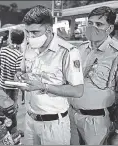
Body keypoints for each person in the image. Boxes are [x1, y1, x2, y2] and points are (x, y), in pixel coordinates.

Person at [16, 5, 84, 145]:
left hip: (54, 125)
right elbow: (22, 71)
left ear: (48, 30)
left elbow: (78, 90)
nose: (30, 37)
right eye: (27, 32)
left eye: (35, 32)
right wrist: (20, 77)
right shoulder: (28, 48)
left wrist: (43, 86)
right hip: (29, 121)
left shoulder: (67, 52)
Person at [69, 6, 118, 145]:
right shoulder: (80, 49)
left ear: (110, 29)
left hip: (97, 123)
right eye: (90, 23)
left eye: (99, 24)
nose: (93, 27)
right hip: (71, 117)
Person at [0, 29, 24, 133]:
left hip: (1, 86)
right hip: (12, 89)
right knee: (12, 112)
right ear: (22, 41)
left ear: (10, 39)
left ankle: (5, 132)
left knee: (1, 112)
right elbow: (18, 77)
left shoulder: (3, 50)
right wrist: (23, 93)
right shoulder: (19, 55)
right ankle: (13, 133)